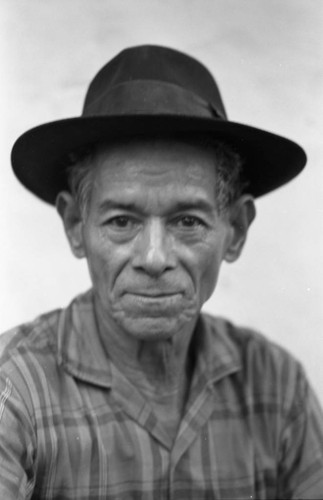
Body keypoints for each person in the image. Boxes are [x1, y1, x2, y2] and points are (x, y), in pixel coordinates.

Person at [1, 45, 322, 499]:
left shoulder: (275, 386)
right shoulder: (13, 388)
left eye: (187, 221)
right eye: (122, 221)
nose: (154, 257)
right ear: (76, 226)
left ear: (235, 231)